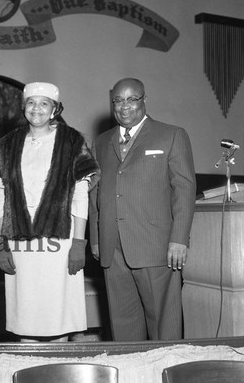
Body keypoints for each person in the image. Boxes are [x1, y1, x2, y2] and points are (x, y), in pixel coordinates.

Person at [0, 82, 100, 341]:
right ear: (23, 107)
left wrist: (79, 243)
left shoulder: (72, 141)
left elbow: (80, 194)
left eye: (44, 103)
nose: (37, 108)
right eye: (31, 102)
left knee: (57, 318)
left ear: (55, 109)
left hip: (61, 240)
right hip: (20, 242)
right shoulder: (8, 144)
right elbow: (2, 195)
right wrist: (2, 243)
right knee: (26, 317)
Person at [89, 77, 196, 341]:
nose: (125, 106)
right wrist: (95, 238)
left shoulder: (172, 135)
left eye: (132, 99)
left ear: (144, 100)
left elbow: (184, 191)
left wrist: (179, 240)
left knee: (164, 325)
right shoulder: (101, 142)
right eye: (118, 100)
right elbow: (94, 194)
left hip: (157, 247)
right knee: (123, 326)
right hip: (112, 248)